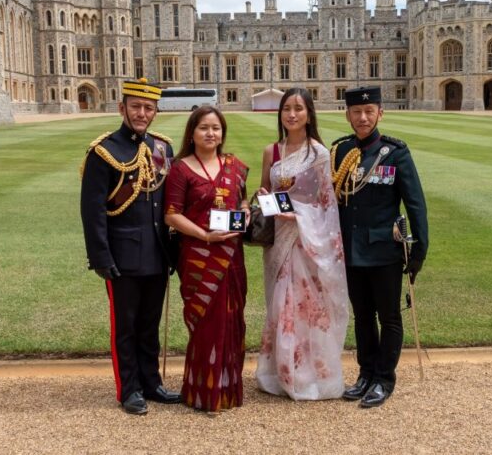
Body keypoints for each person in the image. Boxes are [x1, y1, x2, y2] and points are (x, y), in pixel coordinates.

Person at [80, 78, 182, 415]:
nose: (142, 113)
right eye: (135, 106)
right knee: (125, 326)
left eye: (148, 108)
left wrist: (174, 250)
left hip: (156, 253)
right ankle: (129, 389)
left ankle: (151, 383)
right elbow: (92, 211)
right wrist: (100, 257)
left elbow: (168, 203)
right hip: (121, 257)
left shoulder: (162, 148)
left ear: (155, 111)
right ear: (121, 108)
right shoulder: (104, 152)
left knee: (149, 325)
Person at [330, 85, 429, 408]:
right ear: (347, 114)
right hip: (351, 249)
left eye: (368, 111)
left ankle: (384, 379)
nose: (362, 117)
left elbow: (416, 205)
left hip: (384, 250)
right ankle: (365, 373)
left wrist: (419, 250)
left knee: (388, 317)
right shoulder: (341, 152)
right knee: (362, 316)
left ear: (380, 113)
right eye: (356, 112)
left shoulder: (396, 153)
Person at [255, 88, 349, 400]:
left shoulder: (318, 153)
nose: (292, 114)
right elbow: (263, 189)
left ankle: (309, 377)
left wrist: (297, 216)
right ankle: (281, 375)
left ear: (309, 113)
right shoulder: (273, 151)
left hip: (307, 241)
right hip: (279, 242)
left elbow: (326, 204)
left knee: (306, 310)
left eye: (298, 108)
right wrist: (264, 199)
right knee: (281, 310)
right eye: (286, 109)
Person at [164, 106, 250, 414]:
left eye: (216, 128)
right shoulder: (181, 169)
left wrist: (246, 211)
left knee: (231, 321)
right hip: (199, 257)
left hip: (231, 257)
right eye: (203, 128)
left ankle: (228, 390)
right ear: (192, 132)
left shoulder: (235, 167)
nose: (210, 133)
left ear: (222, 133)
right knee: (205, 325)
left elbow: (240, 199)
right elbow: (172, 215)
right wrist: (204, 236)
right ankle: (203, 393)